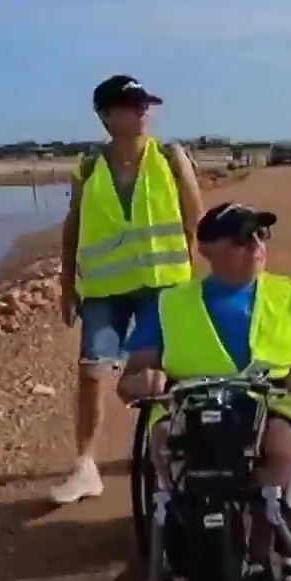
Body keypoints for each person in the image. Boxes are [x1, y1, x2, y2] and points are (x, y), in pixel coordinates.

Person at [117, 203, 291, 526]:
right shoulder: (169, 305)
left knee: (279, 445)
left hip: (271, 404)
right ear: (206, 250)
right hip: (190, 408)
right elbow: (127, 384)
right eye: (242, 239)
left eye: (261, 234)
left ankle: (263, 538)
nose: (256, 245)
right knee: (163, 443)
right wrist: (142, 381)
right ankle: (186, 524)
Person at [50, 75, 205, 504]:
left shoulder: (171, 158)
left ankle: (176, 456)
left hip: (162, 286)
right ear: (105, 115)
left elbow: (197, 219)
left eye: (145, 104)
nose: (143, 111)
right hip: (105, 289)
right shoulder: (88, 167)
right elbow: (73, 226)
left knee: (164, 374)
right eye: (132, 104)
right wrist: (67, 284)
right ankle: (85, 467)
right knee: (92, 372)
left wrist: (207, 282)